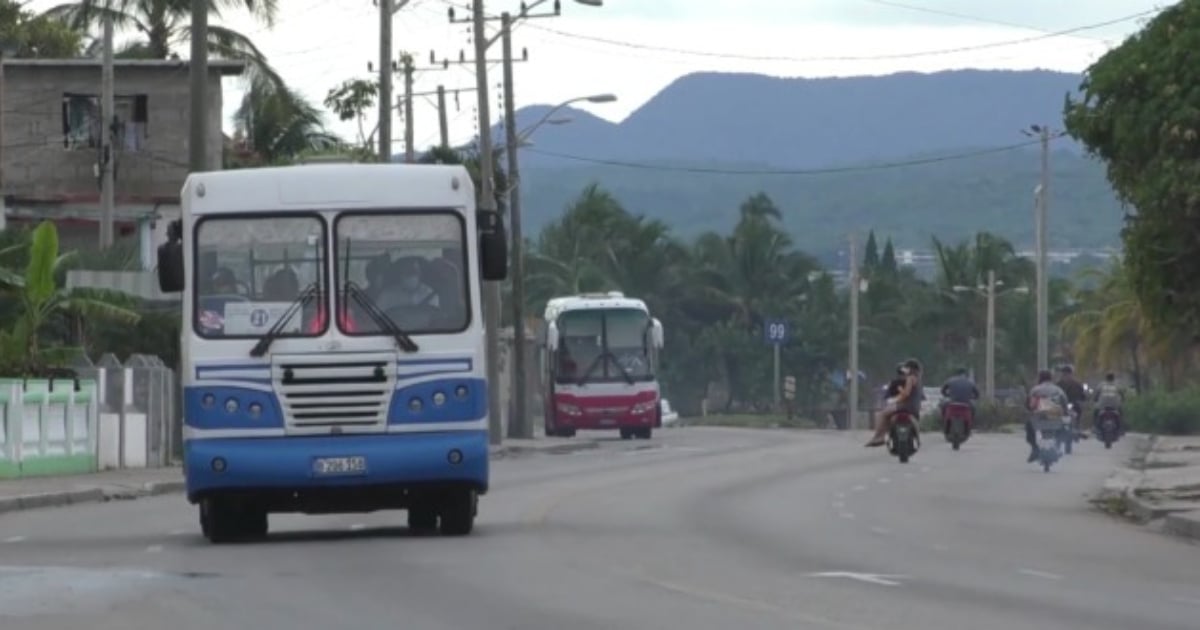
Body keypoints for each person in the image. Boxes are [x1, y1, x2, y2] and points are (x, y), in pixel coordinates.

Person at [866, 358, 922, 447]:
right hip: (915, 407)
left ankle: (879, 437)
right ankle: (916, 438)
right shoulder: (918, 380)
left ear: (910, 368)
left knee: (882, 414)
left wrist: (897, 395)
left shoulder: (910, 378)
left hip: (905, 406)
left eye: (906, 368)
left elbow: (906, 394)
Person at [1025, 369, 1069, 462]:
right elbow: (1064, 403)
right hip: (1055, 418)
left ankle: (1035, 449)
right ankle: (1057, 446)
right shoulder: (1058, 390)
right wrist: (1065, 413)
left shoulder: (1035, 390)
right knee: (1064, 428)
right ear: (1051, 378)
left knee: (1029, 427)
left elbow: (1029, 405)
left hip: (1039, 418)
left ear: (1040, 378)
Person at [939, 367, 979, 434]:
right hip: (966, 403)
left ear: (956, 374)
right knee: (974, 409)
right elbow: (977, 394)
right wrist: (972, 397)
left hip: (952, 403)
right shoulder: (970, 382)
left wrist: (947, 395)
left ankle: (943, 422)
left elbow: (942, 391)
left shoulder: (950, 380)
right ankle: (971, 424)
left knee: (943, 406)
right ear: (965, 374)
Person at [1056, 365, 1087, 430]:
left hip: (1073, 404)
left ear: (1070, 374)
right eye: (1064, 374)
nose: (1065, 376)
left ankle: (1077, 426)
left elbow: (1083, 395)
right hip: (1062, 405)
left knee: (1079, 412)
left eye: (1066, 374)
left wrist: (1082, 399)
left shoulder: (1077, 384)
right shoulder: (1058, 384)